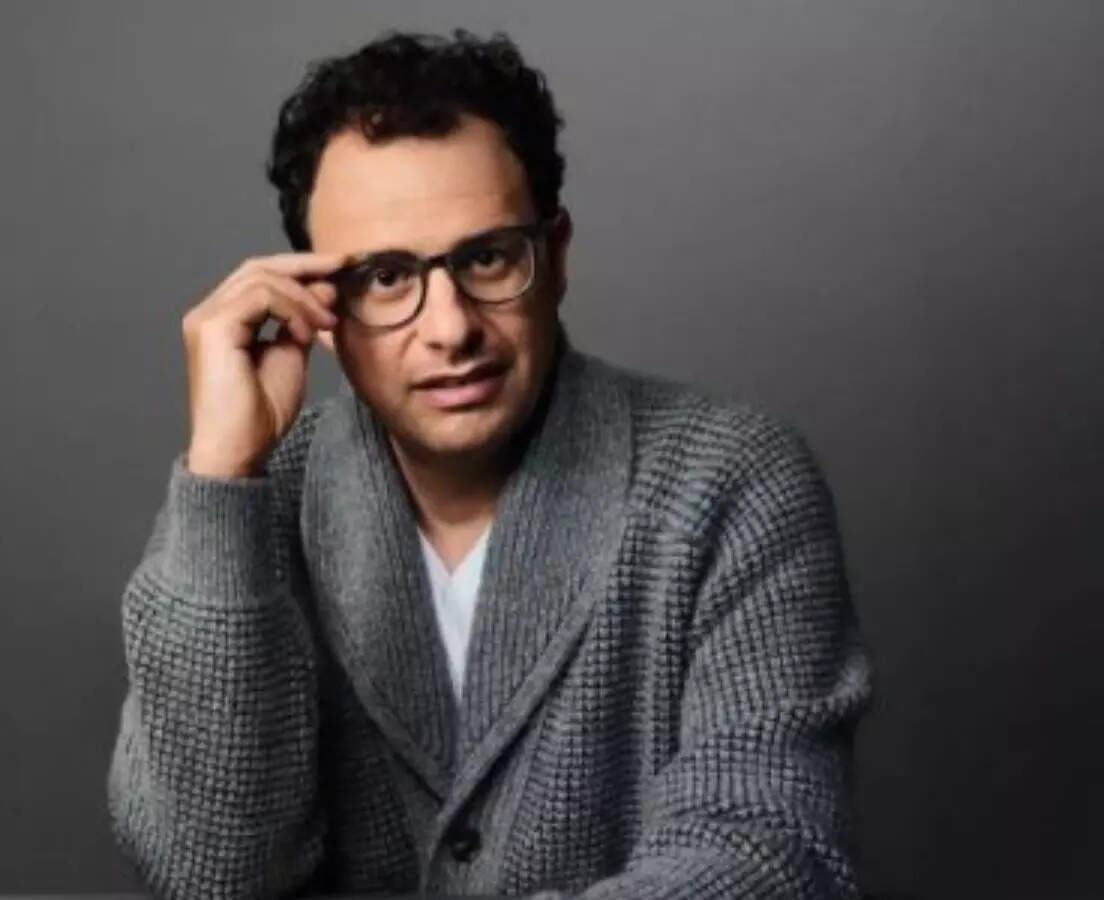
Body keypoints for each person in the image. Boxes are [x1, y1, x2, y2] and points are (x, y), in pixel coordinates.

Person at [106, 28, 873, 900]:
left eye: (486, 257)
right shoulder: (250, 506)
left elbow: (767, 855)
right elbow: (209, 870)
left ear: (556, 255)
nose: (450, 328)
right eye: (385, 276)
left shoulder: (734, 481)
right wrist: (221, 477)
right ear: (320, 305)